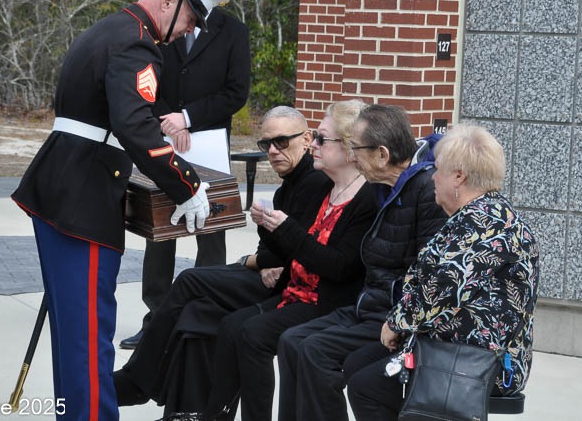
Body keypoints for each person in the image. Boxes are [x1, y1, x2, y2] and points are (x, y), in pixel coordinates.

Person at [10, 0, 230, 421]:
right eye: (189, 18)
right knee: (89, 337)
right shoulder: (137, 43)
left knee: (73, 335)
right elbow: (135, 126)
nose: (188, 30)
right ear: (169, 0)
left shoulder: (110, 28)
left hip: (63, 190)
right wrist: (188, 185)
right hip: (84, 202)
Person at [112, 106, 328, 416]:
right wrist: (264, 257)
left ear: (306, 139)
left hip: (289, 288)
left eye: (281, 141)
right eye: (266, 143)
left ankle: (138, 380)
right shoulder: (289, 186)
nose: (272, 151)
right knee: (198, 313)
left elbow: (289, 253)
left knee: (190, 280)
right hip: (270, 275)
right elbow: (274, 248)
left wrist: (252, 260)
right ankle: (187, 412)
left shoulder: (313, 183)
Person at [345, 123, 540, 420]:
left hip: (481, 362)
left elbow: (442, 290)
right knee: (357, 364)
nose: (433, 177)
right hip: (450, 347)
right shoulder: (478, 215)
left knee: (367, 386)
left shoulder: (484, 223)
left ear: (459, 177)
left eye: (438, 169)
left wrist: (397, 323)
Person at [199, 100, 377, 421]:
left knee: (255, 335)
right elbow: (290, 250)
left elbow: (339, 267)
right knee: (231, 326)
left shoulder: (366, 197)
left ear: (350, 149)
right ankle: (214, 415)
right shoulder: (327, 189)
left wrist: (284, 229)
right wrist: (268, 228)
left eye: (321, 139)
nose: (314, 145)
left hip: (327, 302)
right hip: (296, 293)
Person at [276, 104, 449, 421]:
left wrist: (397, 320)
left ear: (382, 155)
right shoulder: (381, 187)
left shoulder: (424, 191)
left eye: (356, 149)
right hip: (367, 306)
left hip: (390, 316)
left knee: (315, 351)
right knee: (291, 340)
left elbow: (427, 274)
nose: (353, 158)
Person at [120, 0, 252, 350]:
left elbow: (236, 92)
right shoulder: (162, 26)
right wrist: (167, 120)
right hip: (162, 138)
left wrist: (188, 118)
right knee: (161, 230)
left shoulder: (233, 31)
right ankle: (156, 321)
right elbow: (147, 79)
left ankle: (203, 319)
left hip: (208, 143)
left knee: (210, 233)